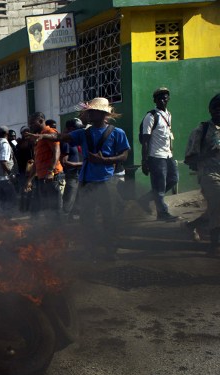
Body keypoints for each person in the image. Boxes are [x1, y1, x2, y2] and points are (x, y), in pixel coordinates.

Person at [30, 97, 131, 260]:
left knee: (109, 217)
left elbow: (124, 155)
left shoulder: (117, 133)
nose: (89, 114)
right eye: (89, 111)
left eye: (92, 111)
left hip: (106, 182)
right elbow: (61, 137)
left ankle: (110, 250)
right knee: (87, 219)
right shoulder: (83, 133)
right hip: (86, 183)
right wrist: (42, 136)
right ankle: (91, 249)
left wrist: (105, 160)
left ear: (102, 114)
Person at [184, 93, 220, 255]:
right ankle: (214, 245)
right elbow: (189, 158)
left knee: (215, 208)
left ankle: (193, 225)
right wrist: (209, 154)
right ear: (210, 110)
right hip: (209, 174)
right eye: (216, 108)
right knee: (218, 204)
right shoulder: (202, 130)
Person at [140, 87, 179, 221]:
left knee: (174, 179)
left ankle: (145, 199)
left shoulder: (168, 115)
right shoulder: (151, 116)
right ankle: (162, 213)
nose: (162, 100)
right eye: (159, 98)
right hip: (156, 156)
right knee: (159, 187)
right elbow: (145, 141)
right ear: (155, 100)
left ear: (168, 99)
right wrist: (144, 161)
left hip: (168, 155)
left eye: (165, 98)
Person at [27, 112, 64, 217]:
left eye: (32, 123)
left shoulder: (49, 132)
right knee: (47, 210)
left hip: (53, 177)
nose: (30, 126)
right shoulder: (39, 137)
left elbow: (57, 152)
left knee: (55, 209)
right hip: (42, 178)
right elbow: (37, 161)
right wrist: (29, 180)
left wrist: (50, 171)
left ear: (40, 121)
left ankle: (59, 228)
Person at [60, 118, 84, 221]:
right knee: (68, 202)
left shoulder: (77, 140)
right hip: (72, 175)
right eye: (77, 129)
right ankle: (61, 224)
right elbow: (65, 162)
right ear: (70, 129)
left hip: (81, 174)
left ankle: (73, 222)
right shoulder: (66, 141)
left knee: (79, 201)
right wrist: (83, 164)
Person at [0, 126, 17, 214]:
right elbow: (3, 161)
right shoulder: (4, 144)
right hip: (4, 177)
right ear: (7, 134)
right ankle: (7, 217)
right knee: (11, 199)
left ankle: (2, 218)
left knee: (3, 200)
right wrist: (10, 174)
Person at [15, 126, 34, 212]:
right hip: (22, 170)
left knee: (31, 190)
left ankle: (29, 207)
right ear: (21, 133)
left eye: (28, 131)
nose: (26, 133)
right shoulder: (19, 143)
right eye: (24, 132)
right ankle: (23, 208)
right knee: (24, 190)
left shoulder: (32, 142)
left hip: (32, 169)